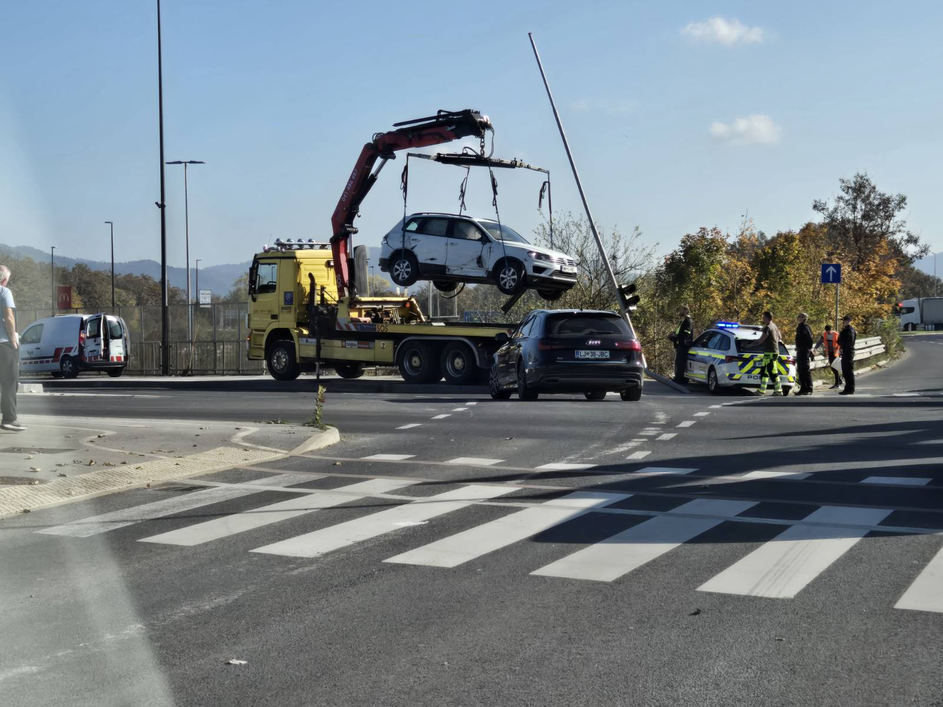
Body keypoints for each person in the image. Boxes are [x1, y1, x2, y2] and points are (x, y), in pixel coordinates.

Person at [0, 265, 24, 431]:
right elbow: (9, 317)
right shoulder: (4, 292)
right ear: (3, 279)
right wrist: (13, 339)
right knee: (9, 381)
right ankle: (9, 418)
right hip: (2, 343)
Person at [747, 310, 784, 395]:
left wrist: (750, 345)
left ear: (767, 317)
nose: (762, 318)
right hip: (773, 352)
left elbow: (760, 340)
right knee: (766, 371)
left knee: (771, 371)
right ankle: (762, 390)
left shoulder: (767, 327)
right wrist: (773, 342)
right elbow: (780, 337)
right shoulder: (774, 326)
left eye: (763, 317)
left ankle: (778, 390)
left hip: (769, 353)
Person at [668, 306, 693, 384]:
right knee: (678, 363)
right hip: (680, 345)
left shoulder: (688, 321)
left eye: (681, 310)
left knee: (681, 363)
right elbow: (678, 332)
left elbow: (686, 334)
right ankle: (678, 377)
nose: (680, 312)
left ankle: (680, 379)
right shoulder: (682, 321)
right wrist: (673, 336)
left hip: (684, 346)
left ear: (686, 311)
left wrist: (676, 336)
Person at [813, 324, 843, 389]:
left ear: (831, 329)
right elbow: (819, 342)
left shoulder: (836, 334)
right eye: (827, 331)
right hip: (830, 353)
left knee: (835, 367)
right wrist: (815, 348)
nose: (828, 332)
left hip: (836, 353)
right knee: (832, 367)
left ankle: (837, 383)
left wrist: (841, 351)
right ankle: (839, 381)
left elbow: (841, 342)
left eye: (829, 331)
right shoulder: (824, 335)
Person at [794, 312, 814, 395]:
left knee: (805, 370)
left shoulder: (805, 327)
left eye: (799, 317)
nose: (798, 318)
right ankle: (803, 388)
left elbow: (809, 339)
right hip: (800, 351)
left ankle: (809, 388)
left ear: (803, 318)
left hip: (804, 351)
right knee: (800, 370)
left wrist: (807, 349)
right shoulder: (799, 327)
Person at [838, 314, 857, 395]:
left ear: (849, 321)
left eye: (846, 320)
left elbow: (850, 342)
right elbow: (840, 340)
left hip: (848, 352)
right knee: (845, 371)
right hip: (845, 351)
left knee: (848, 371)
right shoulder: (845, 330)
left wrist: (844, 347)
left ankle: (850, 388)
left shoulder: (850, 330)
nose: (844, 322)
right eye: (844, 320)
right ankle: (847, 388)